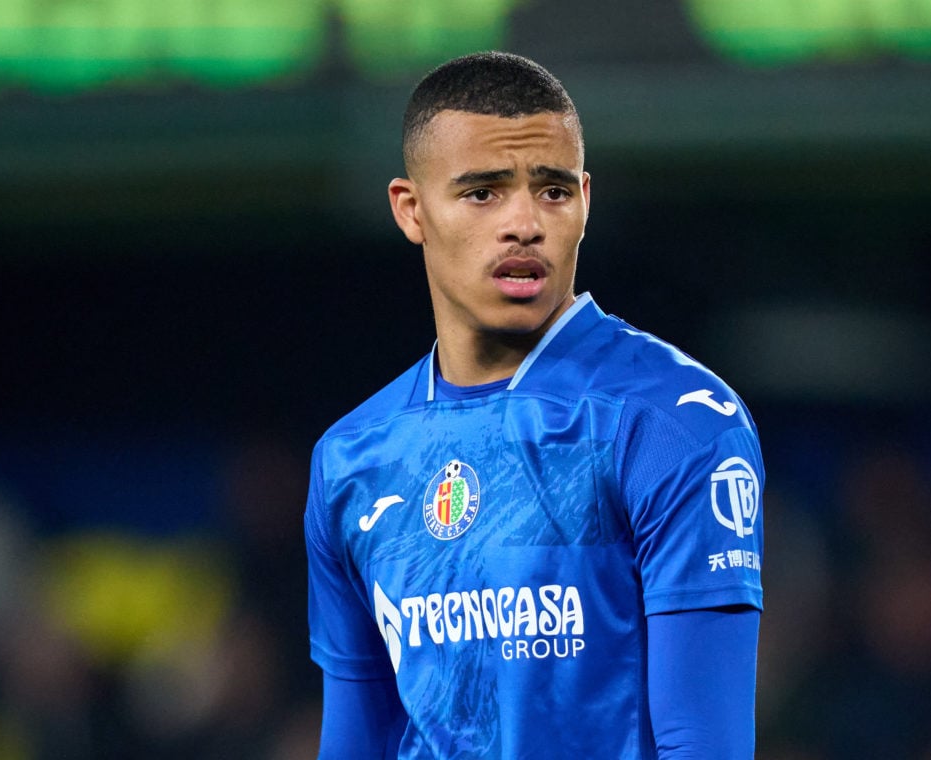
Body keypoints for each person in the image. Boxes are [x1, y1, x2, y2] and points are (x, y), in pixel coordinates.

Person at [305, 51, 764, 759]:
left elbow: (703, 741)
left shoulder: (675, 424)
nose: (524, 223)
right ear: (411, 209)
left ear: (585, 199)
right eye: (483, 192)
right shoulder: (353, 457)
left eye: (551, 191)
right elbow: (356, 738)